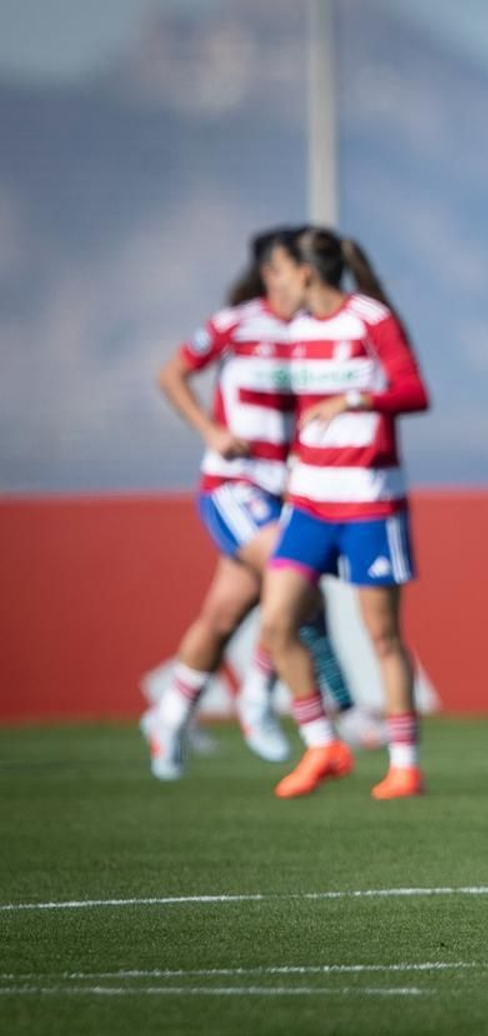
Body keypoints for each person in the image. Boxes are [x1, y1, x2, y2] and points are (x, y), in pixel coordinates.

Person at [143, 227, 354, 781]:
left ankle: (168, 717)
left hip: (285, 488)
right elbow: (172, 375)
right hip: (234, 485)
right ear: (273, 274)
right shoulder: (237, 324)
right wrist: (211, 432)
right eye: (293, 266)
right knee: (298, 581)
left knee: (225, 614)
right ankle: (260, 698)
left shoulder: (314, 330)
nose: (303, 275)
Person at [256, 227, 431, 800]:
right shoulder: (296, 331)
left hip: (369, 502)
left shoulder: (370, 318)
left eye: (279, 271)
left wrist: (353, 400)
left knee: (382, 634)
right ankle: (322, 744)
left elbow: (413, 393)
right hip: (308, 502)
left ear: (305, 274)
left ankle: (404, 763)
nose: (273, 283)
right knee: (278, 623)